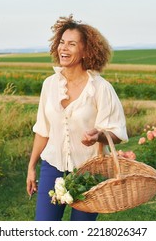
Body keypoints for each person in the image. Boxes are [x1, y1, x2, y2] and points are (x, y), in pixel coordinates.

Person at [26, 15, 128, 221]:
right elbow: (42, 130)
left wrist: (98, 135)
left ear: (85, 51)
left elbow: (117, 133)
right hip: (52, 167)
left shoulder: (101, 88)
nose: (64, 48)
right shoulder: (49, 85)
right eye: (62, 42)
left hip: (89, 171)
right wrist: (31, 167)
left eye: (72, 44)